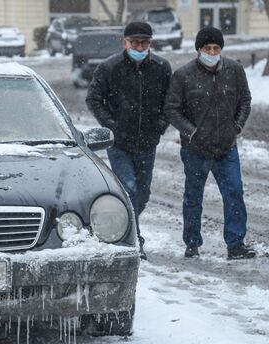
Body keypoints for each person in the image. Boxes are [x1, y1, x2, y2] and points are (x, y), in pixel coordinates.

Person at [163, 27, 255, 260]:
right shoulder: (183, 76)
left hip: (226, 147)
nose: (212, 52)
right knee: (193, 197)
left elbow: (245, 100)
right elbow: (171, 109)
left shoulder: (234, 70)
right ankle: (192, 242)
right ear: (198, 50)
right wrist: (191, 132)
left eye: (216, 48)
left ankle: (235, 244)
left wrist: (237, 127)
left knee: (234, 192)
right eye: (207, 48)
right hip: (196, 149)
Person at [86, 22, 172, 260]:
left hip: (147, 141)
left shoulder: (161, 67)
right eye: (135, 42)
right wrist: (111, 125)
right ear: (125, 42)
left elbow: (170, 101)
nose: (139, 46)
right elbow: (93, 99)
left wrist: (160, 126)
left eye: (144, 42)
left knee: (142, 193)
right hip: (119, 143)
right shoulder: (109, 67)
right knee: (129, 189)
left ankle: (126, 227)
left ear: (150, 44)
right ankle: (134, 240)